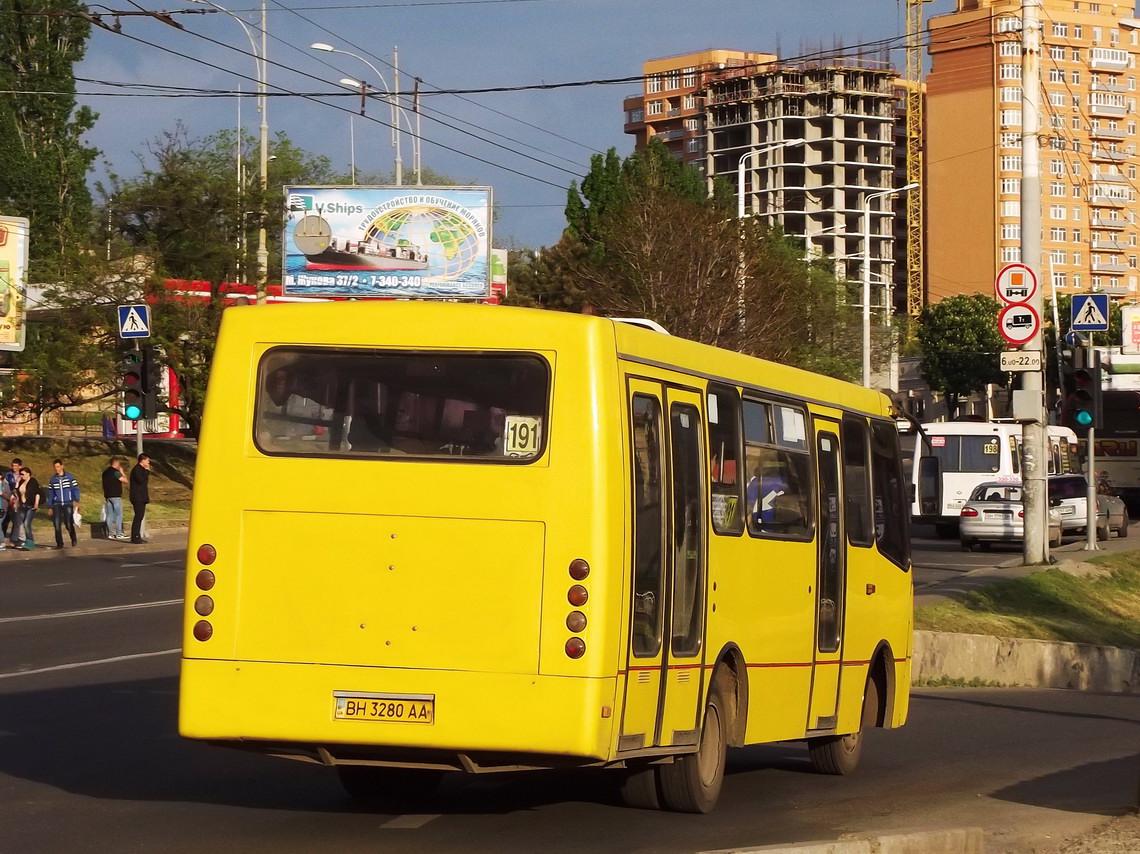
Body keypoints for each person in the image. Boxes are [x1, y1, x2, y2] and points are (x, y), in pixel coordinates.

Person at [47, 458, 81, 550]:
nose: (56, 469)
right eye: (55, 467)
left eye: (58, 467)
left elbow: (75, 489)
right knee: (57, 524)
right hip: (57, 504)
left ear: (62, 466)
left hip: (67, 503)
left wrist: (76, 500)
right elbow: (50, 493)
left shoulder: (69, 477)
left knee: (68, 523)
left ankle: (73, 537)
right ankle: (59, 543)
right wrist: (50, 506)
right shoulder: (53, 480)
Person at [13, 467, 40, 550]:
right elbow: (16, 492)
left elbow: (37, 493)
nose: (22, 476)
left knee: (27, 523)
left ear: (28, 474)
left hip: (31, 506)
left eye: (23, 474)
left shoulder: (33, 481)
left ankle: (30, 542)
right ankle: (24, 540)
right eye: (20, 474)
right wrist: (17, 482)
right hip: (23, 505)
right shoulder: (21, 481)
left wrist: (36, 503)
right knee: (20, 522)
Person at [101, 456, 129, 540]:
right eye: (119, 464)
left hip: (107, 496)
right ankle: (119, 533)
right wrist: (122, 471)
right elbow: (125, 480)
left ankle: (110, 533)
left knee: (109, 515)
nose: (120, 466)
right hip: (116, 496)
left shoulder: (105, 472)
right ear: (116, 463)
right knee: (118, 514)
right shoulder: (116, 472)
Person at [129, 453, 151, 544]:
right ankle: (135, 536)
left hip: (141, 496)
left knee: (140, 516)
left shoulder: (141, 469)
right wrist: (147, 471)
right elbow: (140, 480)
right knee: (138, 516)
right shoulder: (137, 469)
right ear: (143, 460)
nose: (149, 462)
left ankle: (137, 535)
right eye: (147, 460)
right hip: (137, 496)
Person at [1, 457, 21, 544]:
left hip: (19, 498)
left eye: (16, 466)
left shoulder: (22, 475)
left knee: (16, 519)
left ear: (20, 466)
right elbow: (5, 485)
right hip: (9, 497)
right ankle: (3, 535)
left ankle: (14, 538)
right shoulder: (8, 475)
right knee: (6, 518)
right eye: (13, 466)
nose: (14, 467)